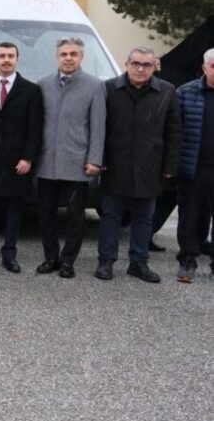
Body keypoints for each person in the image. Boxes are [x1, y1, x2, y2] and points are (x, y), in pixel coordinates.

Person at [96, 46, 181, 283]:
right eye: (135, 63)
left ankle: (138, 263)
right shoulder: (109, 88)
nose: (140, 69)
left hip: (150, 166)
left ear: (155, 66)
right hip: (115, 165)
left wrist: (170, 166)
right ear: (126, 64)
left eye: (146, 64)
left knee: (144, 218)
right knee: (111, 217)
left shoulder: (167, 91)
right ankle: (106, 261)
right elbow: (100, 127)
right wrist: (100, 159)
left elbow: (174, 131)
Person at [35, 37, 105, 279]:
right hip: (46, 162)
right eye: (64, 54)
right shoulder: (43, 84)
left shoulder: (95, 86)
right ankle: (50, 257)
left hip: (77, 163)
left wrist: (95, 159)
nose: (68, 58)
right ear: (57, 57)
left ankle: (67, 261)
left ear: (81, 57)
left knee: (75, 217)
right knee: (46, 215)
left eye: (73, 54)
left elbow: (98, 127)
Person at [0, 42, 43, 273]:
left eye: (10, 56)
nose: (6, 60)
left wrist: (28, 158)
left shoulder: (31, 90)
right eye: (2, 56)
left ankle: (9, 254)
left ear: (17, 59)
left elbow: (35, 128)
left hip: (16, 161)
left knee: (14, 209)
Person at [173, 48, 214, 284]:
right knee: (189, 216)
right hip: (194, 167)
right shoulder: (186, 93)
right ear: (204, 68)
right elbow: (174, 130)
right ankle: (187, 260)